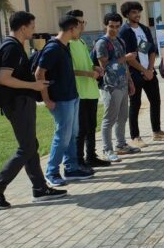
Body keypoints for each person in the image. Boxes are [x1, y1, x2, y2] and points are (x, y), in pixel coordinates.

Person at [0, 11, 67, 209]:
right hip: (17, 103)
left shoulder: (14, 46)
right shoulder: (12, 48)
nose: (34, 31)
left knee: (30, 145)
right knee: (26, 148)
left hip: (20, 102)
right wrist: (33, 86)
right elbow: (4, 78)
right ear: (23, 27)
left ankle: (40, 188)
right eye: (32, 27)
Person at [36, 14, 94, 186]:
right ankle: (51, 172)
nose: (80, 31)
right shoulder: (53, 48)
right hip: (61, 99)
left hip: (72, 97)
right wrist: (46, 99)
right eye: (79, 28)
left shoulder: (65, 45)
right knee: (62, 136)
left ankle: (71, 168)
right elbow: (39, 73)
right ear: (71, 29)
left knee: (72, 134)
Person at [119, 1, 164, 147]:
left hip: (149, 71)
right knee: (135, 104)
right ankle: (135, 137)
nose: (137, 15)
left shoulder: (144, 29)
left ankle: (157, 131)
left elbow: (151, 50)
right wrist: (143, 71)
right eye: (134, 12)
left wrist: (149, 69)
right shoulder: (124, 31)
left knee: (155, 101)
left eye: (138, 12)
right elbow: (129, 57)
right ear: (127, 14)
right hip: (134, 73)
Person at [67, 10, 109, 169]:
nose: (82, 25)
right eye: (80, 22)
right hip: (79, 93)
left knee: (91, 127)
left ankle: (91, 156)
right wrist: (88, 73)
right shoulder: (67, 44)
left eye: (83, 22)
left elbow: (87, 63)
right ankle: (79, 161)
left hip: (91, 91)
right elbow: (68, 70)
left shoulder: (82, 42)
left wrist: (95, 68)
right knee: (81, 129)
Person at [95, 12, 138, 161]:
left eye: (117, 26)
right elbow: (105, 65)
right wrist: (125, 58)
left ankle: (121, 145)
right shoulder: (102, 43)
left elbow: (124, 65)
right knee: (109, 119)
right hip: (110, 86)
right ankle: (107, 150)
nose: (114, 29)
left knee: (123, 117)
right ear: (105, 26)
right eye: (111, 26)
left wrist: (130, 81)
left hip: (122, 84)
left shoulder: (120, 40)